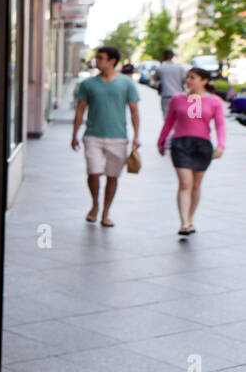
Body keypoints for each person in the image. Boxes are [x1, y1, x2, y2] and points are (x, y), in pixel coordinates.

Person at [71, 45, 140, 227]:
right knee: (93, 173)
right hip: (92, 135)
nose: (97, 61)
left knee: (112, 176)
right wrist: (74, 134)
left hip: (118, 137)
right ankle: (95, 204)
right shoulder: (88, 84)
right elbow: (80, 110)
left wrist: (136, 137)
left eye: (101, 58)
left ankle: (106, 212)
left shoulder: (126, 83)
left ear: (112, 61)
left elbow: (134, 111)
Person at [157, 66, 226, 236]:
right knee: (185, 183)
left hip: (202, 145)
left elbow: (220, 125)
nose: (188, 81)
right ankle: (184, 223)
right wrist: (161, 141)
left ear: (204, 81)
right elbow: (169, 122)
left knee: (196, 185)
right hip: (180, 144)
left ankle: (190, 218)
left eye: (192, 77)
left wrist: (221, 145)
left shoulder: (215, 101)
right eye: (187, 77)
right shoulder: (177, 99)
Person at [155, 48, 187, 118]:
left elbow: (156, 80)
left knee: (167, 119)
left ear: (163, 56)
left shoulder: (160, 68)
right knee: (178, 118)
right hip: (179, 95)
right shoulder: (180, 68)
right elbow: (184, 81)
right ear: (172, 56)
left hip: (166, 96)